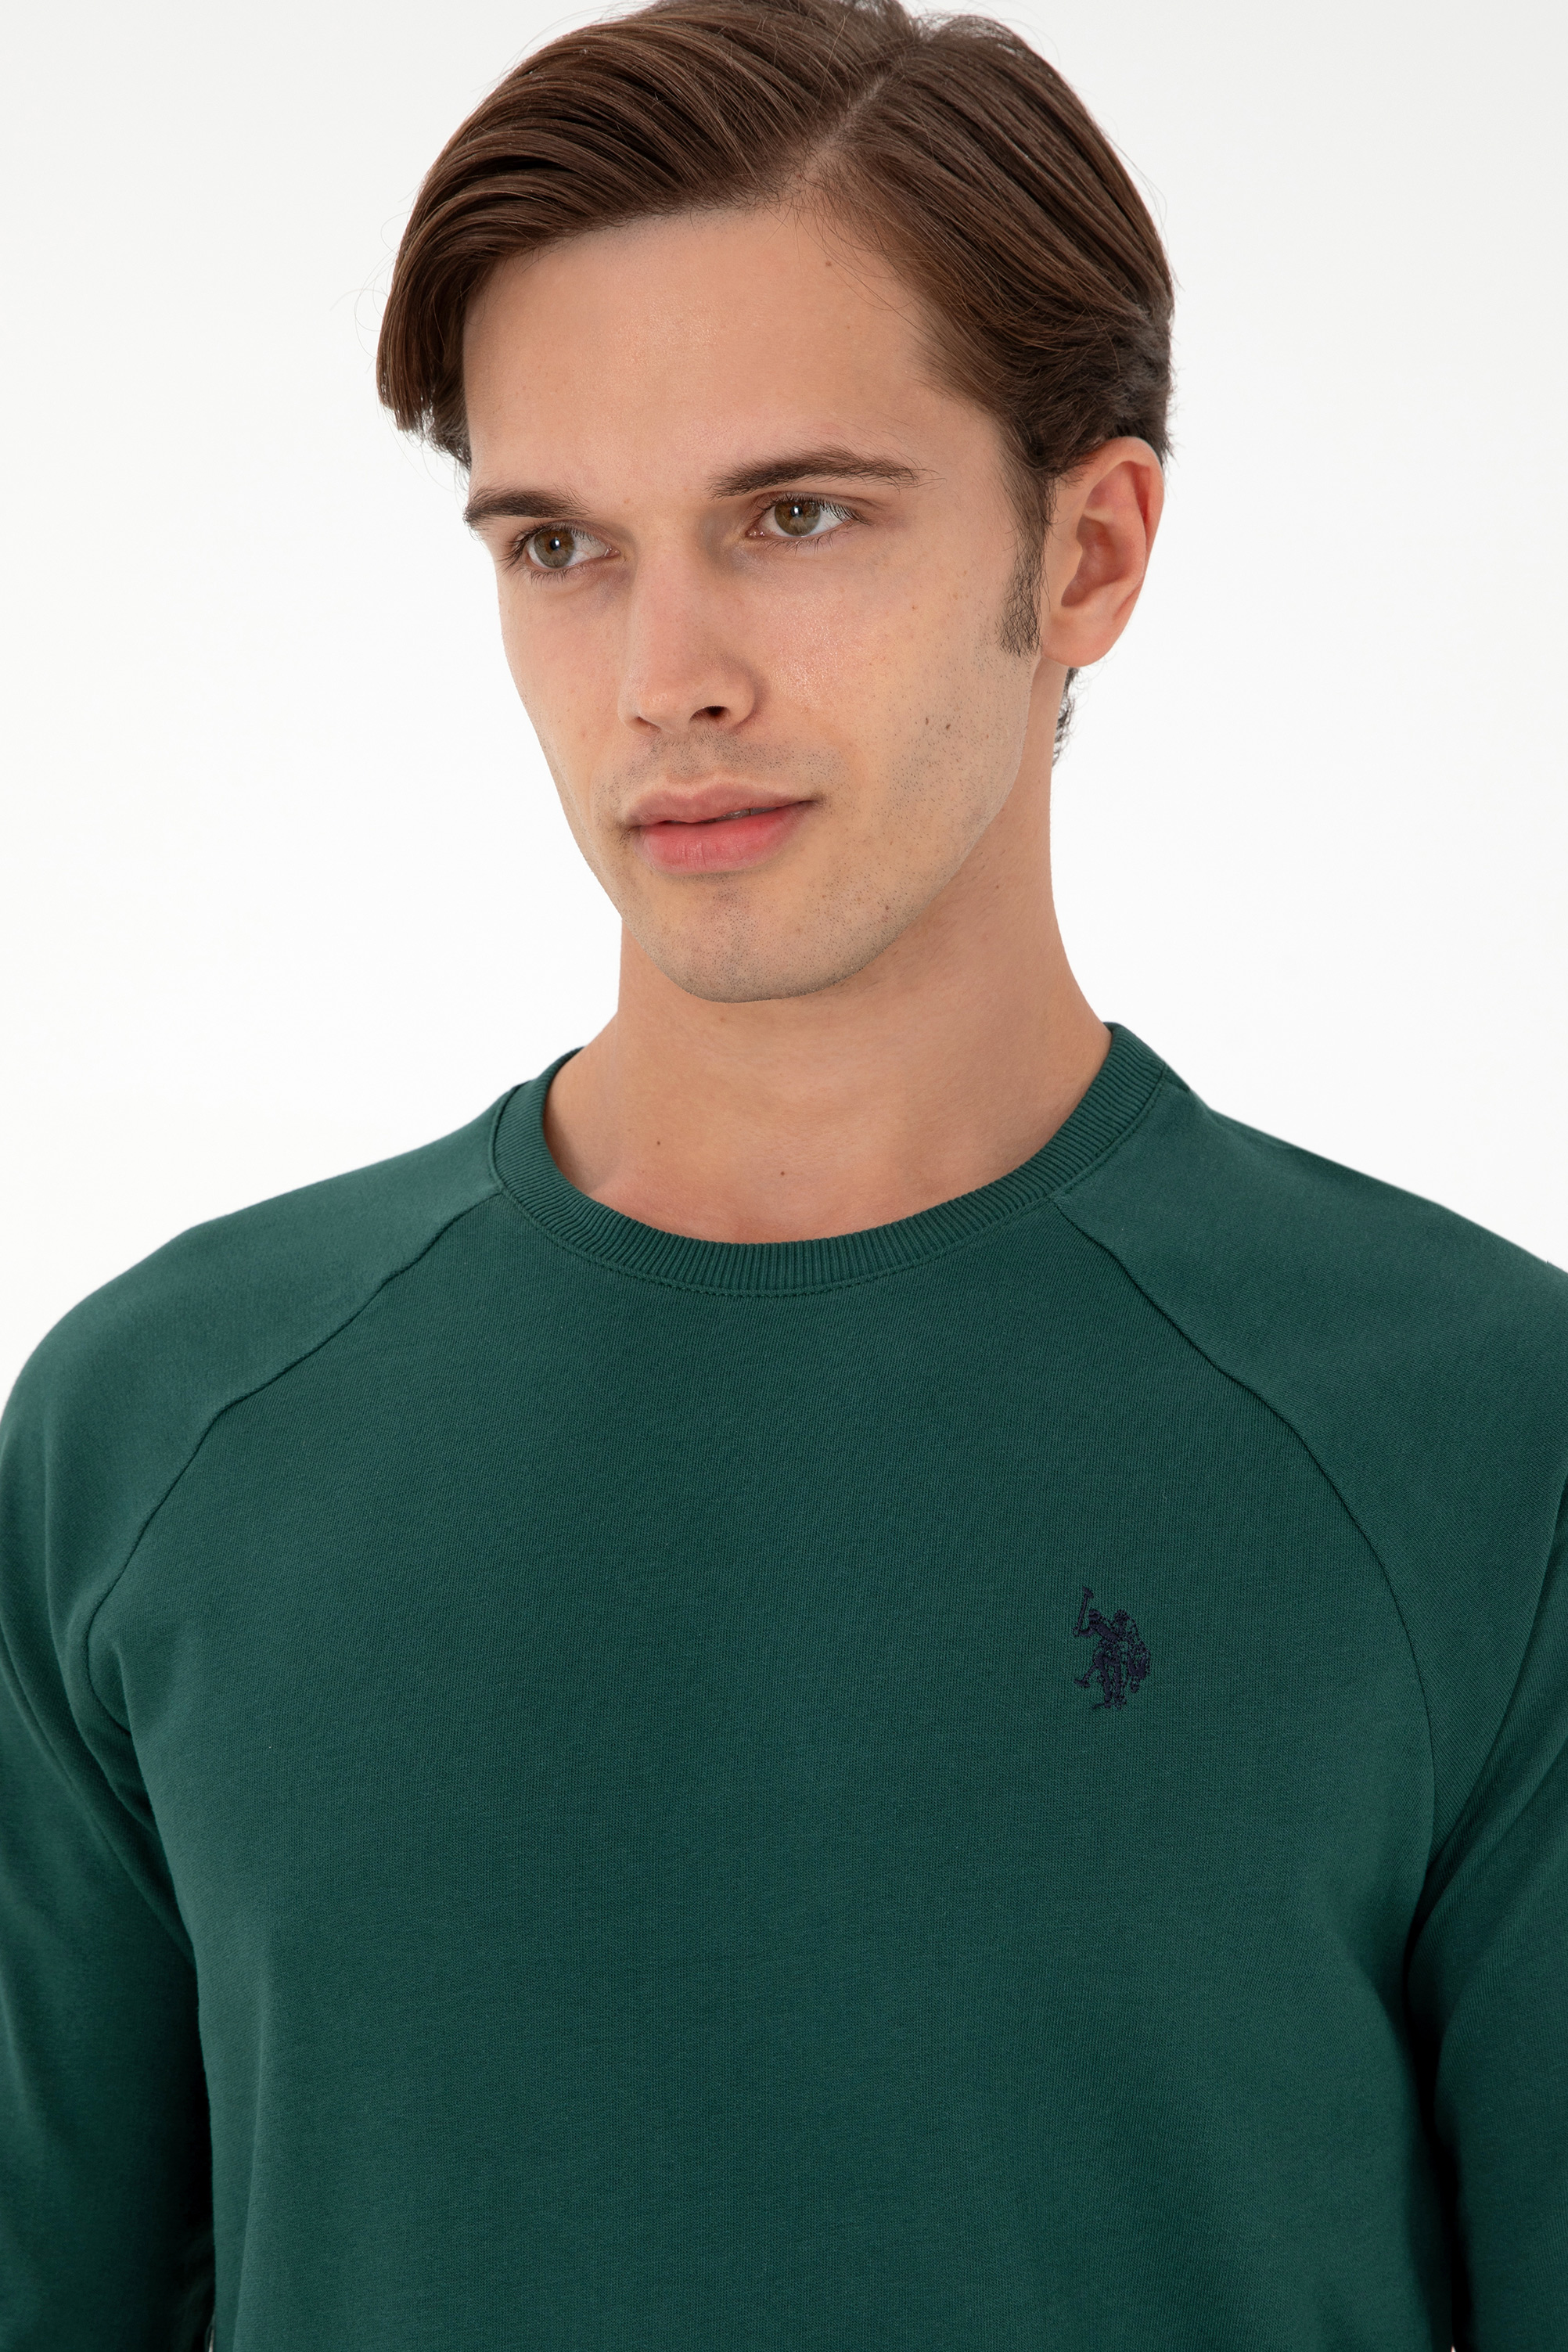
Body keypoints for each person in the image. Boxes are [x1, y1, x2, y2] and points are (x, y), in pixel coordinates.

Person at [2, 0, 1563, 2343]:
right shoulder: (150, 1435)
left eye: (796, 516)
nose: (666, 674)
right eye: (559, 545)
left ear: (1091, 549)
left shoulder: (1484, 1436)